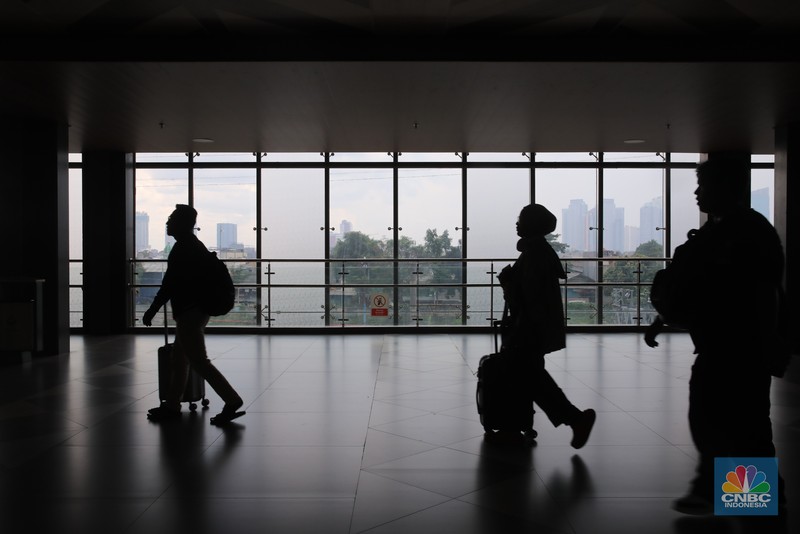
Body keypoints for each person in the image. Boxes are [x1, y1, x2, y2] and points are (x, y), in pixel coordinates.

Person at [645, 157, 787, 515]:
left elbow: (719, 288)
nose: (696, 192)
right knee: (734, 419)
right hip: (734, 345)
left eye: (703, 186)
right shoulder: (743, 230)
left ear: (724, 189)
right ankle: (744, 498)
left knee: (734, 420)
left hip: (736, 347)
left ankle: (747, 500)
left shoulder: (734, 234)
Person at [497, 203, 596, 448]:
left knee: (529, 377)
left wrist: (508, 284)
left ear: (531, 225)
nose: (516, 223)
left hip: (528, 327)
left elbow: (527, 297)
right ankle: (520, 425)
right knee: (528, 375)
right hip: (535, 326)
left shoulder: (533, 255)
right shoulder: (540, 252)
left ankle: (574, 418)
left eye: (520, 219)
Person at [143, 204, 245, 425]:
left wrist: (152, 310)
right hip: (196, 311)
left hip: (190, 313)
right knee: (180, 359)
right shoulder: (193, 246)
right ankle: (172, 405)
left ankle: (232, 400)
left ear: (181, 224)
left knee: (199, 361)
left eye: (171, 219)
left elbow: (168, 285)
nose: (167, 222)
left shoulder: (182, 249)